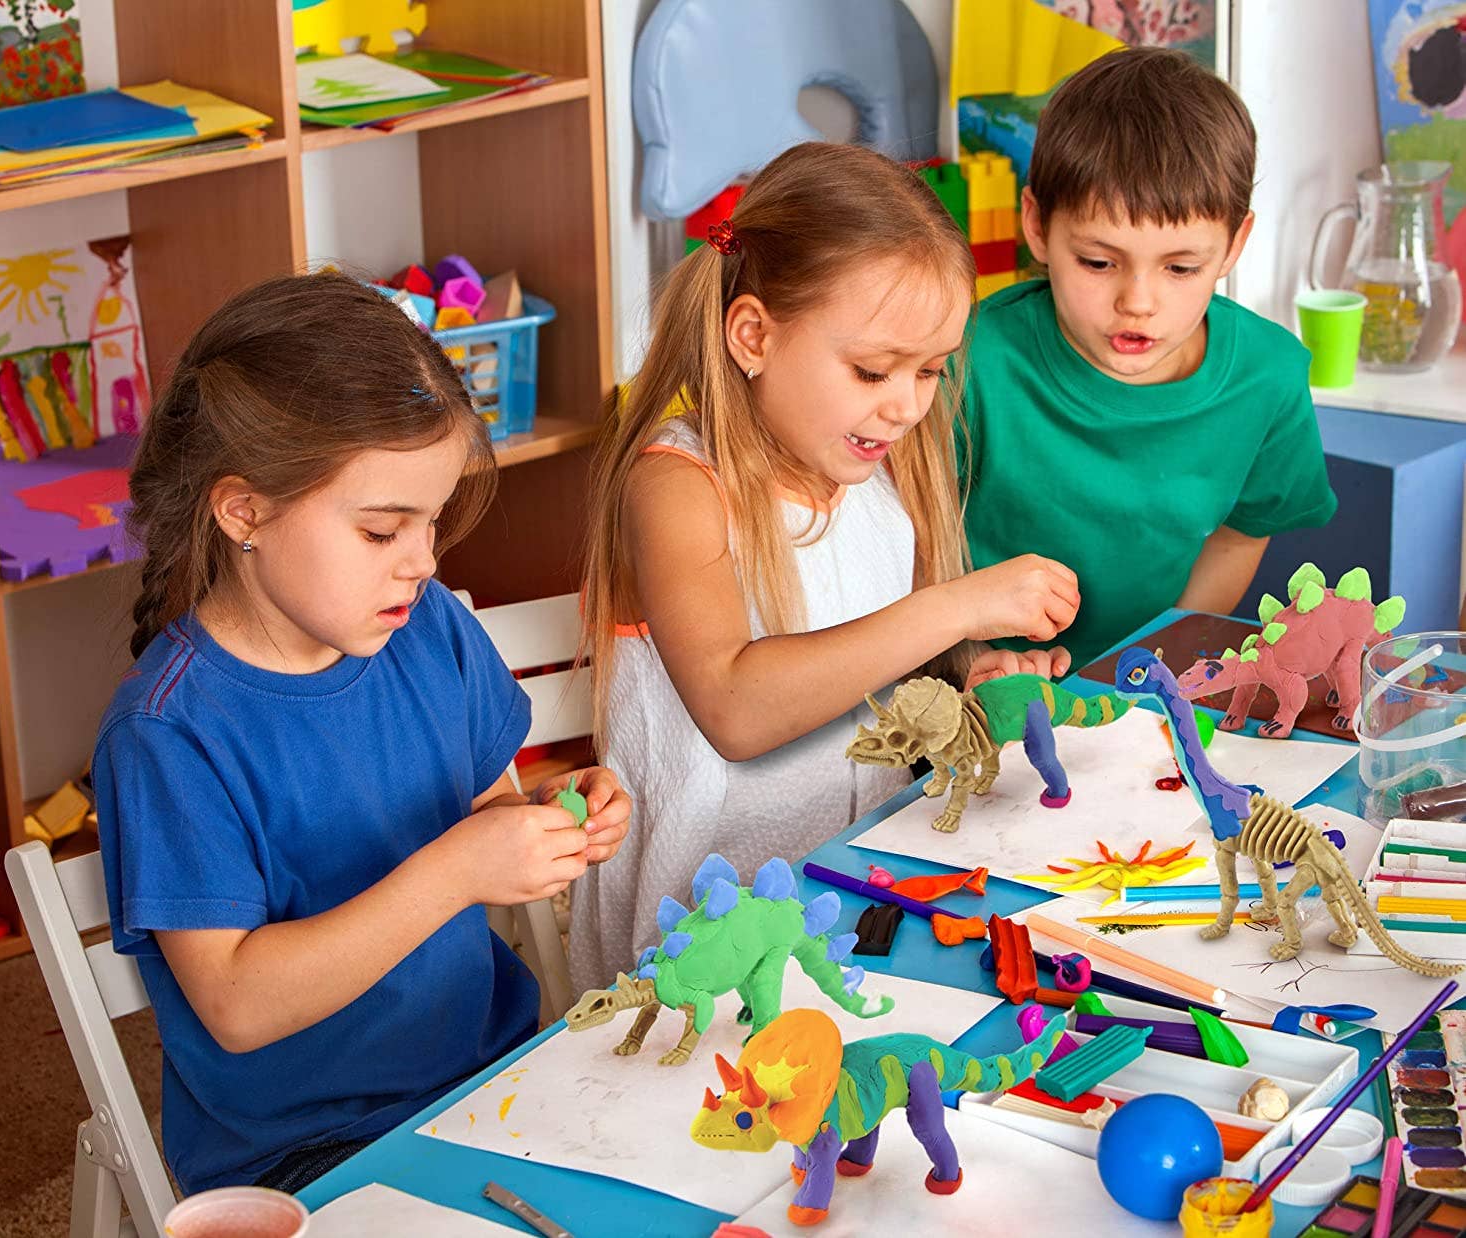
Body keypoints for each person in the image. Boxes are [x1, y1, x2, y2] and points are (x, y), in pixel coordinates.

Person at [92, 272, 630, 1194]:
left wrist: (550, 819)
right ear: (244, 511)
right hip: (308, 1147)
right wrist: (456, 870)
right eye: (382, 532)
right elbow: (237, 1004)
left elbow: (485, 813)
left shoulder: (427, 628)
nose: (423, 561)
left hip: (491, 1071)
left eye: (431, 522)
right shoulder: (168, 734)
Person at [572, 142, 1080, 994]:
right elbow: (736, 708)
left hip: (852, 900)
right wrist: (954, 608)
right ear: (754, 336)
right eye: (873, 370)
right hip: (695, 947)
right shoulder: (677, 484)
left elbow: (870, 687)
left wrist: (962, 688)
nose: (907, 404)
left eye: (931, 370)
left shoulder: (880, 471)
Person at [962, 47, 1336, 670]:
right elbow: (901, 548)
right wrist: (969, 657)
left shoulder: (1269, 378)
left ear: (1234, 245)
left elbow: (1241, 533)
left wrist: (1150, 666)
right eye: (1098, 262)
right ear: (1037, 226)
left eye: (1181, 268)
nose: (1137, 302)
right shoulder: (965, 362)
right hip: (964, 681)